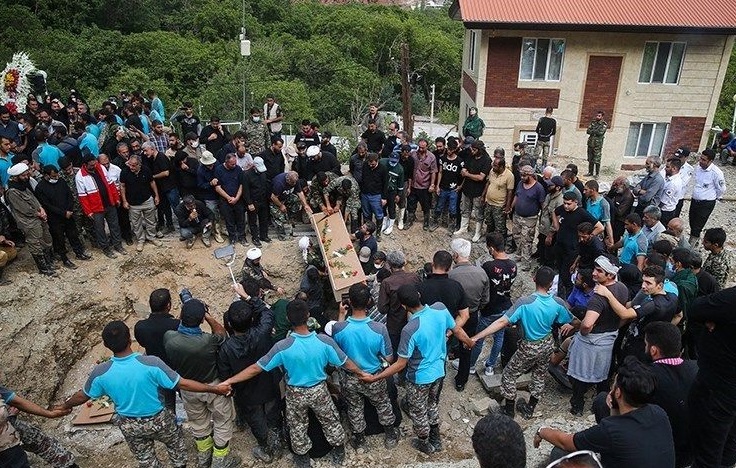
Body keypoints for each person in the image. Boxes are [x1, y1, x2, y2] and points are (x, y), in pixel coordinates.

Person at [57, 321, 231, 468]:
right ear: (130, 339)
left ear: (106, 345)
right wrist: (214, 389)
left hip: (129, 424)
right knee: (176, 450)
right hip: (159, 420)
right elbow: (183, 383)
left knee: (147, 461)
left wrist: (66, 405)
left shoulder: (101, 372)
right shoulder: (151, 363)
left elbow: (83, 395)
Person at [221, 299, 366, 468]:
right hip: (319, 390)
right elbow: (345, 361)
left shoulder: (282, 346)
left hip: (295, 393)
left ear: (289, 320)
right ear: (308, 316)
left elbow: (255, 368)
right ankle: (338, 449)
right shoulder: (324, 341)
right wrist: (362, 372)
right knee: (330, 420)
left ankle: (302, 457)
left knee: (297, 425)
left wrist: (229, 380)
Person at [361, 284, 475, 454]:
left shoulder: (410, 330)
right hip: (439, 372)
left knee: (419, 411)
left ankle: (424, 443)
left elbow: (400, 364)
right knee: (432, 403)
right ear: (419, 295)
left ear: (402, 306)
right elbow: (456, 330)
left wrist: (375, 378)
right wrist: (469, 342)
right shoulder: (440, 309)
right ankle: (436, 438)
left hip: (419, 378)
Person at [534, 355, 675, 468]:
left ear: (618, 393)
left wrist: (541, 430)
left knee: (560, 453)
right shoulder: (659, 413)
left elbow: (565, 442)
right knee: (602, 401)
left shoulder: (611, 431)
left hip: (611, 436)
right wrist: (614, 407)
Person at [590, 322, 697, 468]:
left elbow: (615, 401)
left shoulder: (645, 377)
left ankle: (613, 454)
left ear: (653, 350)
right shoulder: (696, 369)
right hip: (690, 450)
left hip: (653, 449)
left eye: (645, 344)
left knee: (603, 400)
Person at [473, 266, 574, 419]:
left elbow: (501, 322)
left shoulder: (524, 302)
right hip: (547, 343)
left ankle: (508, 411)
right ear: (551, 284)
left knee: (509, 374)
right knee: (540, 374)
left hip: (529, 346)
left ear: (534, 279)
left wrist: (476, 337)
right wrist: (573, 326)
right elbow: (575, 320)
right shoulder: (558, 302)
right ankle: (530, 408)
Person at [164, 298, 239, 468]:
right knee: (222, 421)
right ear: (201, 319)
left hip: (188, 388)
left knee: (198, 423)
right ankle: (220, 461)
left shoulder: (169, 338)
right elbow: (222, 335)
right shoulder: (207, 341)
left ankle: (204, 457)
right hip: (214, 387)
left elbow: (178, 331)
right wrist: (209, 318)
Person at [218, 283, 282, 463]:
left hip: (247, 392)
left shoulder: (226, 348)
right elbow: (268, 312)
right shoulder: (263, 332)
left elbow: (224, 375)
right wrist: (246, 296)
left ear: (229, 324)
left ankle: (265, 448)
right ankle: (278, 441)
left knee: (256, 421)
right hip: (269, 383)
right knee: (273, 413)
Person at [332, 283, 399, 450]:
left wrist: (341, 315)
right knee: (383, 404)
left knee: (354, 408)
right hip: (373, 376)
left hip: (350, 378)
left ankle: (360, 439)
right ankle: (390, 435)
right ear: (369, 301)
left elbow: (337, 349)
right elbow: (389, 357)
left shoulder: (339, 328)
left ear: (349, 303)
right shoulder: (379, 329)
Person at [566, 255, 629, 416]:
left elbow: (587, 324)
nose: (594, 273)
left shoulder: (597, 298)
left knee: (580, 375)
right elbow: (623, 314)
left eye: (599, 271)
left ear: (610, 275)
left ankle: (578, 405)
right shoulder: (622, 288)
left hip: (591, 340)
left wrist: (581, 331)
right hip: (609, 338)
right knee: (603, 375)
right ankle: (600, 406)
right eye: (595, 269)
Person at [688, 285, 736, 467]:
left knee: (708, 447)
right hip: (725, 384)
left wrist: (713, 318)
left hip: (718, 385)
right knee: (729, 437)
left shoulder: (731, 299)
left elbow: (696, 308)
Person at [595, 265, 678, 361]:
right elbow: (679, 315)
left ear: (660, 285)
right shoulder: (673, 297)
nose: (643, 286)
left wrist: (607, 294)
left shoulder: (652, 305)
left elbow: (624, 314)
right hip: (655, 343)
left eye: (648, 283)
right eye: (643, 281)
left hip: (640, 346)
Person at [471, 232, 517, 376]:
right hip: (506, 307)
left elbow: (482, 286)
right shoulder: (513, 265)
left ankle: (471, 365)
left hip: (490, 309)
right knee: (499, 337)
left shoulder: (489, 266)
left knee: (479, 337)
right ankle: (490, 366)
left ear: (491, 248)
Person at [447, 239, 489, 389]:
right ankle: (461, 381)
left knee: (447, 341)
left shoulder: (451, 275)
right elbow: (485, 299)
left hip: (454, 316)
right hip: (472, 315)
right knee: (467, 345)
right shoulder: (481, 273)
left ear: (456, 255)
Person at [0, 384, 74, 468]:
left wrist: (50, 414)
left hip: (7, 432)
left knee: (40, 441)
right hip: (5, 444)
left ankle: (67, 464)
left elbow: (16, 401)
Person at [34, 164, 90, 268]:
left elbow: (69, 195)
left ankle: (79, 253)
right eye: (53, 176)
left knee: (73, 235)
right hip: (55, 218)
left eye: (56, 176)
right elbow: (47, 205)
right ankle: (65, 259)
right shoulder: (40, 188)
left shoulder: (61, 181)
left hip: (68, 215)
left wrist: (69, 210)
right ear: (46, 176)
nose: (56, 178)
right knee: (59, 239)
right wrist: (63, 213)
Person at [133, 288, 181, 411]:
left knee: (164, 404)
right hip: (175, 368)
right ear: (169, 305)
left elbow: (143, 343)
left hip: (154, 369)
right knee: (182, 400)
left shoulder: (140, 326)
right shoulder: (176, 325)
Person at [5, 163, 56, 275]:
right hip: (28, 222)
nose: (26, 177)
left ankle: (49, 261)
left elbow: (34, 199)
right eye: (23, 176)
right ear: (15, 177)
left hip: (39, 218)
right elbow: (24, 209)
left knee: (46, 239)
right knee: (35, 244)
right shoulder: (12, 192)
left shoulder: (23, 187)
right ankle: (43, 268)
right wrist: (39, 213)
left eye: (26, 174)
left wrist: (41, 208)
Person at [552, 192, 603, 299]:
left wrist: (587, 237)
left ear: (576, 202)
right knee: (560, 272)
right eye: (564, 203)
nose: (566, 206)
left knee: (567, 276)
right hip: (560, 246)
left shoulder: (581, 213)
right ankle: (559, 295)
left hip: (571, 250)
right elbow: (554, 212)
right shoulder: (563, 209)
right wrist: (556, 226)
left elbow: (600, 227)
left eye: (569, 204)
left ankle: (568, 298)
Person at [378, 250, 419, 358]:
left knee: (397, 351)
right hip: (414, 320)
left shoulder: (387, 283)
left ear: (389, 265)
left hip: (395, 324)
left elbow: (382, 308)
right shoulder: (414, 277)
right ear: (404, 262)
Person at [120, 154, 163, 252]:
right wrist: (124, 201)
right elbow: (122, 186)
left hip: (147, 200)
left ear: (139, 164)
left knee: (151, 221)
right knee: (136, 224)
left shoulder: (146, 170)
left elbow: (152, 182)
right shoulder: (124, 171)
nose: (131, 167)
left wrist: (156, 195)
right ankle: (140, 240)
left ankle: (151, 237)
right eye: (130, 165)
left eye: (134, 165)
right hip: (133, 203)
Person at [511, 164, 546, 271]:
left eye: (524, 176)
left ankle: (526, 262)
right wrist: (511, 207)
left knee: (527, 240)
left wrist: (541, 219)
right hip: (517, 216)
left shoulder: (538, 188)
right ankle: (518, 255)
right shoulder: (521, 183)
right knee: (517, 236)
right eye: (521, 175)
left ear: (530, 175)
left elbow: (542, 204)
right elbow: (517, 196)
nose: (522, 178)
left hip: (530, 218)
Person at [455, 140, 492, 242]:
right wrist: (465, 174)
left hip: (478, 191)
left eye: (474, 149)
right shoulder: (470, 157)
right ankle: (463, 228)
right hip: (467, 188)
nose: (472, 151)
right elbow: (464, 170)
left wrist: (467, 174)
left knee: (478, 213)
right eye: (472, 148)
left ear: (480, 150)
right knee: (465, 209)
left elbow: (481, 177)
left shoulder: (486, 160)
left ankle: (478, 232)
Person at [689, 149, 726, 246]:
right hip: (695, 200)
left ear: (710, 161)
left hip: (706, 203)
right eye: (700, 158)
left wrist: (713, 197)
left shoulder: (716, 173)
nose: (701, 161)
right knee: (692, 223)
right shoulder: (698, 168)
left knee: (697, 226)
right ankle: (696, 242)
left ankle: (692, 245)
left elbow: (721, 189)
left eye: (704, 160)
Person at [431, 139, 463, 232]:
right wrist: (437, 186)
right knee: (439, 206)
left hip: (453, 189)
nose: (448, 151)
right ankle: (435, 222)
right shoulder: (443, 159)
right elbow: (440, 172)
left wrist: (460, 186)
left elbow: (463, 175)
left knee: (452, 208)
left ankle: (452, 225)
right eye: (448, 149)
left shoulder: (460, 161)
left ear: (454, 150)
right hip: (443, 187)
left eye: (450, 149)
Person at [270, 171, 312, 240]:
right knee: (280, 218)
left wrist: (305, 205)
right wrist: (281, 205)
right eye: (292, 183)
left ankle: (290, 217)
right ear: (288, 180)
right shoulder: (279, 183)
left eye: (295, 182)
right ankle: (282, 235)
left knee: (296, 200)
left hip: (286, 196)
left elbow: (300, 192)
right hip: (275, 200)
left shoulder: (295, 180)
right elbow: (273, 197)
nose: (294, 184)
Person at [482, 155, 514, 248]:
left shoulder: (509, 175)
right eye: (493, 165)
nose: (493, 167)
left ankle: (501, 245)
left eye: (495, 165)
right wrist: (483, 195)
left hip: (499, 205)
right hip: (489, 203)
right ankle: (490, 242)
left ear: (501, 166)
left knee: (500, 227)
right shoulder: (492, 171)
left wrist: (508, 206)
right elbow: (488, 183)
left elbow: (510, 191)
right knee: (489, 223)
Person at [214, 153, 246, 245]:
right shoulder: (219, 170)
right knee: (229, 220)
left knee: (241, 219)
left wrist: (236, 198)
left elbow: (241, 185)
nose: (234, 165)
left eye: (235, 163)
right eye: (232, 164)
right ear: (226, 162)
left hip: (238, 199)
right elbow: (217, 187)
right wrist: (228, 198)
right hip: (225, 200)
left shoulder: (238, 169)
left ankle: (242, 237)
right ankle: (232, 238)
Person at [585, 111, 607, 177]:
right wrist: (594, 131)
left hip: (597, 145)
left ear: (602, 117)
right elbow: (588, 131)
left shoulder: (603, 124)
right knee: (590, 159)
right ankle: (590, 172)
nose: (597, 117)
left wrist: (593, 131)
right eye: (597, 115)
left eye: (599, 116)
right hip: (591, 143)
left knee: (597, 160)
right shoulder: (593, 122)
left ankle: (597, 174)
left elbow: (600, 133)